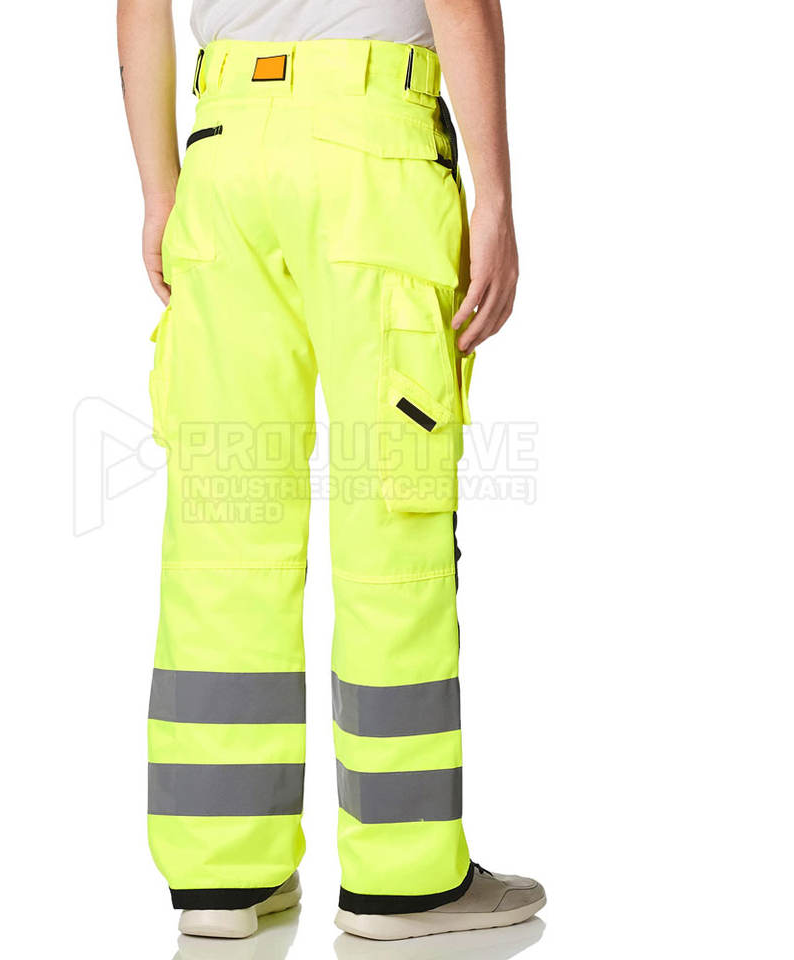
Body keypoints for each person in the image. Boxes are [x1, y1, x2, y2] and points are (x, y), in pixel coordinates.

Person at [117, 0, 545, 942]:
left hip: (224, 153)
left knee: (224, 529)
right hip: (372, 152)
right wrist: (497, 196)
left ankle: (221, 877)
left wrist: (159, 189)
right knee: (391, 517)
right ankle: (403, 881)